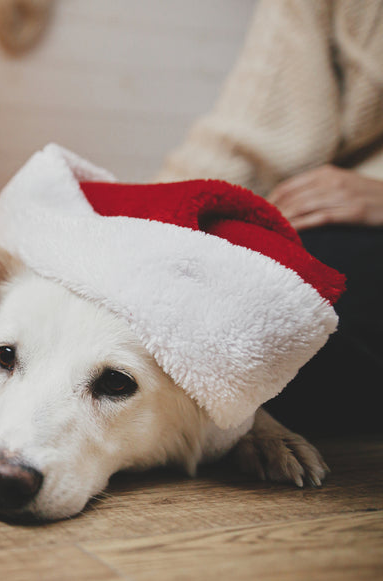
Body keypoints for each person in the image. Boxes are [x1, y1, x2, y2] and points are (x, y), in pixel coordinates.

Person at [155, 0, 383, 434]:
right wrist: (136, 216)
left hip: (359, 236)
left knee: (310, 306)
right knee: (226, 273)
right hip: (334, 214)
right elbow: (250, 133)